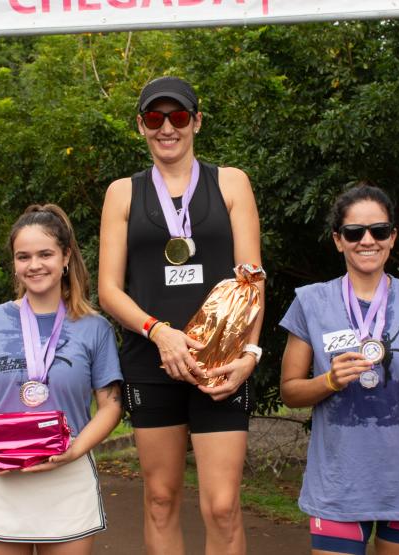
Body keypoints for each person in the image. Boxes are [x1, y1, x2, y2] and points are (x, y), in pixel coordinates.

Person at [98, 76, 263, 555]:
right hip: (152, 362)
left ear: (196, 121)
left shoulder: (231, 183)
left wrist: (250, 353)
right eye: (154, 118)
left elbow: (252, 278)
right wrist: (158, 333)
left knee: (222, 506)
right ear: (141, 126)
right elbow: (109, 289)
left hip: (223, 365)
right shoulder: (122, 194)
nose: (166, 128)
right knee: (160, 500)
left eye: (177, 117)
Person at [279, 183, 399, 555]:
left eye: (379, 231)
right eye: (355, 233)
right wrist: (329, 380)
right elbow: (290, 392)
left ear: (393, 237)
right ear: (339, 240)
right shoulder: (310, 301)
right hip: (340, 482)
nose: (367, 240)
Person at [0, 204, 123, 555]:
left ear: (66, 256)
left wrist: (75, 451)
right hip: (0, 477)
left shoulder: (95, 328)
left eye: (45, 254)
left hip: (67, 479)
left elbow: (110, 405)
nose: (34, 265)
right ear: (14, 262)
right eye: (23, 256)